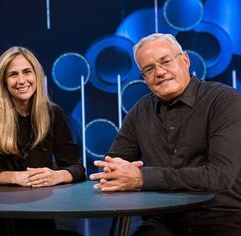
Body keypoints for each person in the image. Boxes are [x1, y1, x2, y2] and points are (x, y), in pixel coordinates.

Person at [89, 32, 241, 236]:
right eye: (149, 69)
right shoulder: (141, 110)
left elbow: (219, 176)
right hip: (165, 218)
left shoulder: (223, 100)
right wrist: (116, 173)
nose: (159, 72)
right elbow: (113, 165)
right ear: (144, 78)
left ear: (185, 60)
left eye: (165, 61)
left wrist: (143, 178)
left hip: (221, 215)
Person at [0, 46, 85, 235]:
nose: (22, 81)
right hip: (2, 215)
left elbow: (77, 168)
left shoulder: (52, 113)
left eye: (27, 72)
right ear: (3, 81)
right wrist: (17, 177)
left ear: (37, 75)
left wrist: (56, 176)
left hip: (44, 211)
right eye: (13, 75)